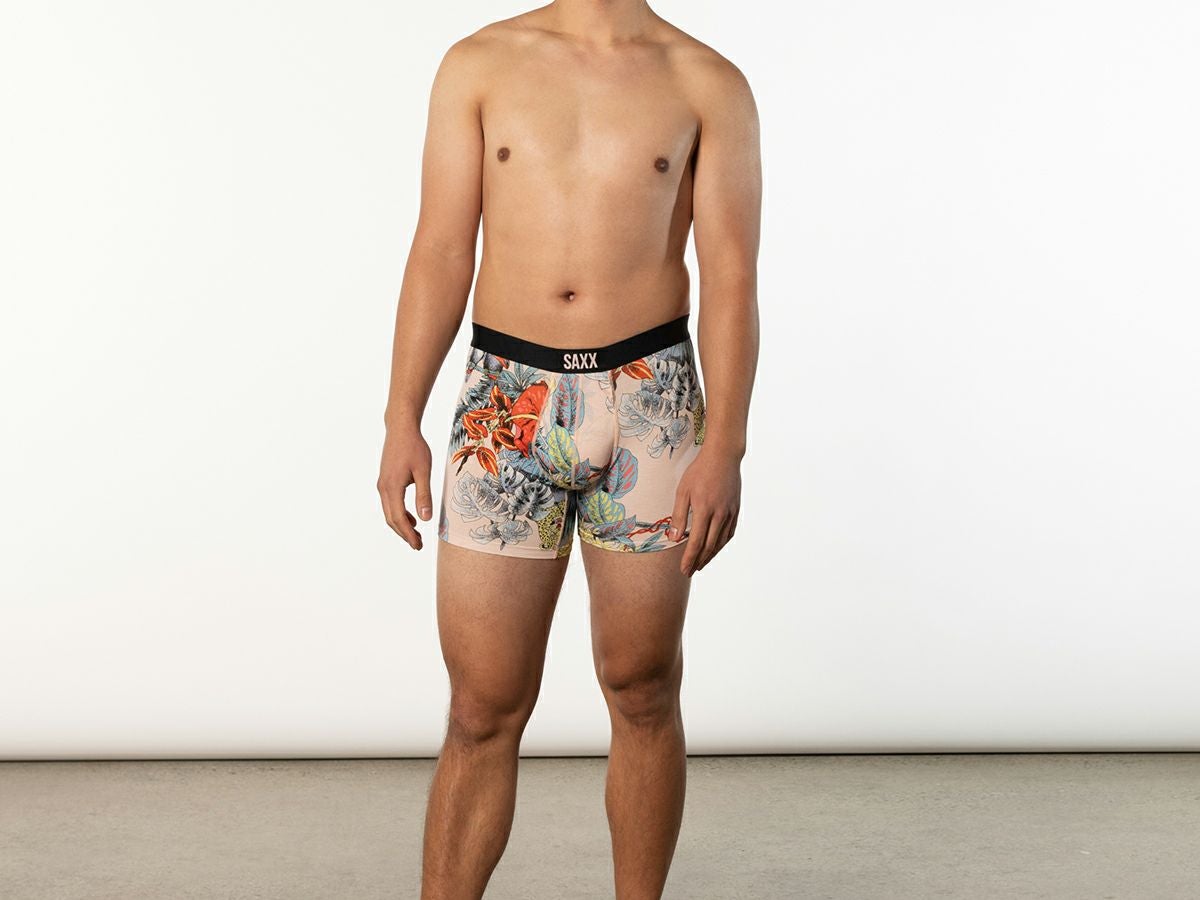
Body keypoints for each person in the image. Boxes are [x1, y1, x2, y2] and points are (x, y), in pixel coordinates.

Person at [377, 1, 760, 896]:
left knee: (642, 686)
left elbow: (732, 275)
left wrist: (727, 446)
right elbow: (441, 248)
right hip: (505, 404)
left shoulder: (706, 82)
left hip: (652, 402)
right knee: (481, 706)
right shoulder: (480, 63)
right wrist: (401, 415)